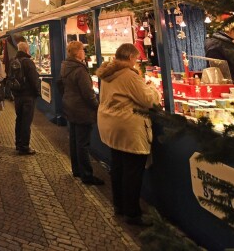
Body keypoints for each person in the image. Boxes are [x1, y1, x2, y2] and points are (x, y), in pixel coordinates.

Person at [96, 43, 160, 227]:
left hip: (111, 125)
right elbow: (148, 100)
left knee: (118, 167)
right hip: (128, 126)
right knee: (133, 171)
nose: (137, 62)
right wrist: (153, 90)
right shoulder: (129, 75)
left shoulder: (107, 73)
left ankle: (119, 206)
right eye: (136, 58)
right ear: (131, 58)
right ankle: (132, 213)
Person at [60, 41, 104, 185]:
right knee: (83, 144)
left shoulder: (66, 66)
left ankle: (77, 170)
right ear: (77, 52)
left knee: (74, 141)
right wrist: (97, 106)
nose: (84, 52)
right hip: (81, 110)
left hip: (70, 107)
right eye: (82, 50)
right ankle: (87, 175)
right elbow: (88, 93)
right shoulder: (79, 69)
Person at [11, 41, 41, 155]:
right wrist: (37, 93)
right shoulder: (28, 62)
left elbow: (10, 79)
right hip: (28, 96)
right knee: (26, 122)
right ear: (27, 50)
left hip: (18, 96)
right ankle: (25, 147)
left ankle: (18, 144)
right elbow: (34, 80)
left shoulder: (14, 61)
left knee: (19, 120)